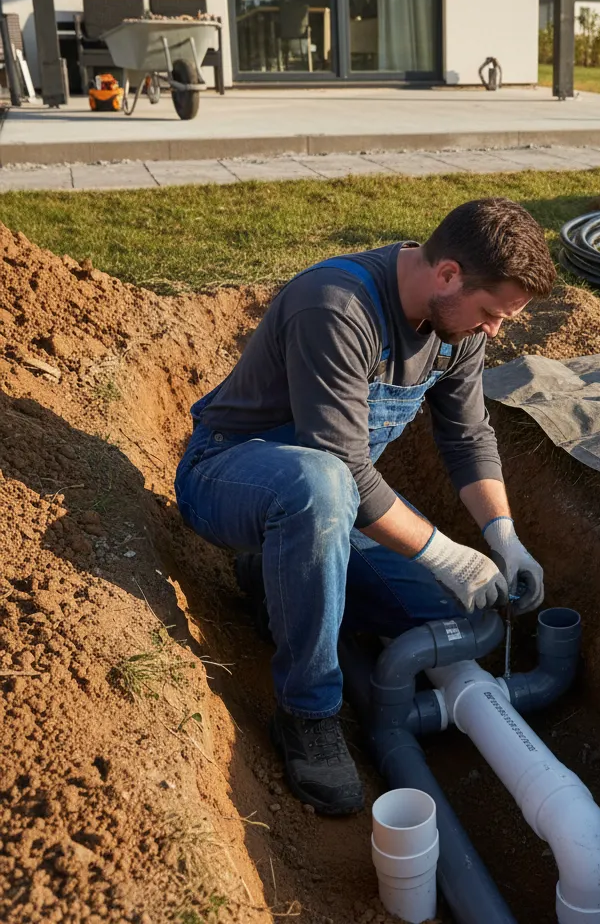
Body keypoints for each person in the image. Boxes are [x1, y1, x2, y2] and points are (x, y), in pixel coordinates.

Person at [174, 198, 557, 815]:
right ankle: (308, 711)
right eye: (491, 314)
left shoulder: (455, 330)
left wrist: (503, 538)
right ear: (448, 274)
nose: (494, 331)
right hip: (231, 475)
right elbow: (344, 467)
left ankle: (279, 575)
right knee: (320, 484)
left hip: (334, 502)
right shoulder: (337, 306)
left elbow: (467, 437)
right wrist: (451, 556)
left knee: (445, 608)